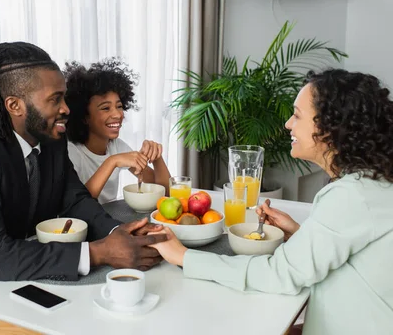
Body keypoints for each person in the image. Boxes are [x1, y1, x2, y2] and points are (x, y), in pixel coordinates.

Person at [0, 42, 167, 335]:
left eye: (64, 97)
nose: (66, 108)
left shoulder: (50, 136)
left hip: (15, 285)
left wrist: (115, 232)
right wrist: (97, 253)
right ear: (14, 105)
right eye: (55, 100)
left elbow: (73, 199)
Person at [150, 68, 393, 334]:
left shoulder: (352, 195)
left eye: (297, 116)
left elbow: (281, 274)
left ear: (329, 129)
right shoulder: (371, 184)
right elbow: (353, 262)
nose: (288, 123)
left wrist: (184, 256)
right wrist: (303, 235)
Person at [63, 58, 171, 204]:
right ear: (84, 116)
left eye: (119, 106)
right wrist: (112, 161)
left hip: (107, 220)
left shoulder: (115, 145)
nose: (117, 115)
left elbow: (163, 190)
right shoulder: (72, 151)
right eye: (105, 108)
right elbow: (78, 203)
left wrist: (156, 157)